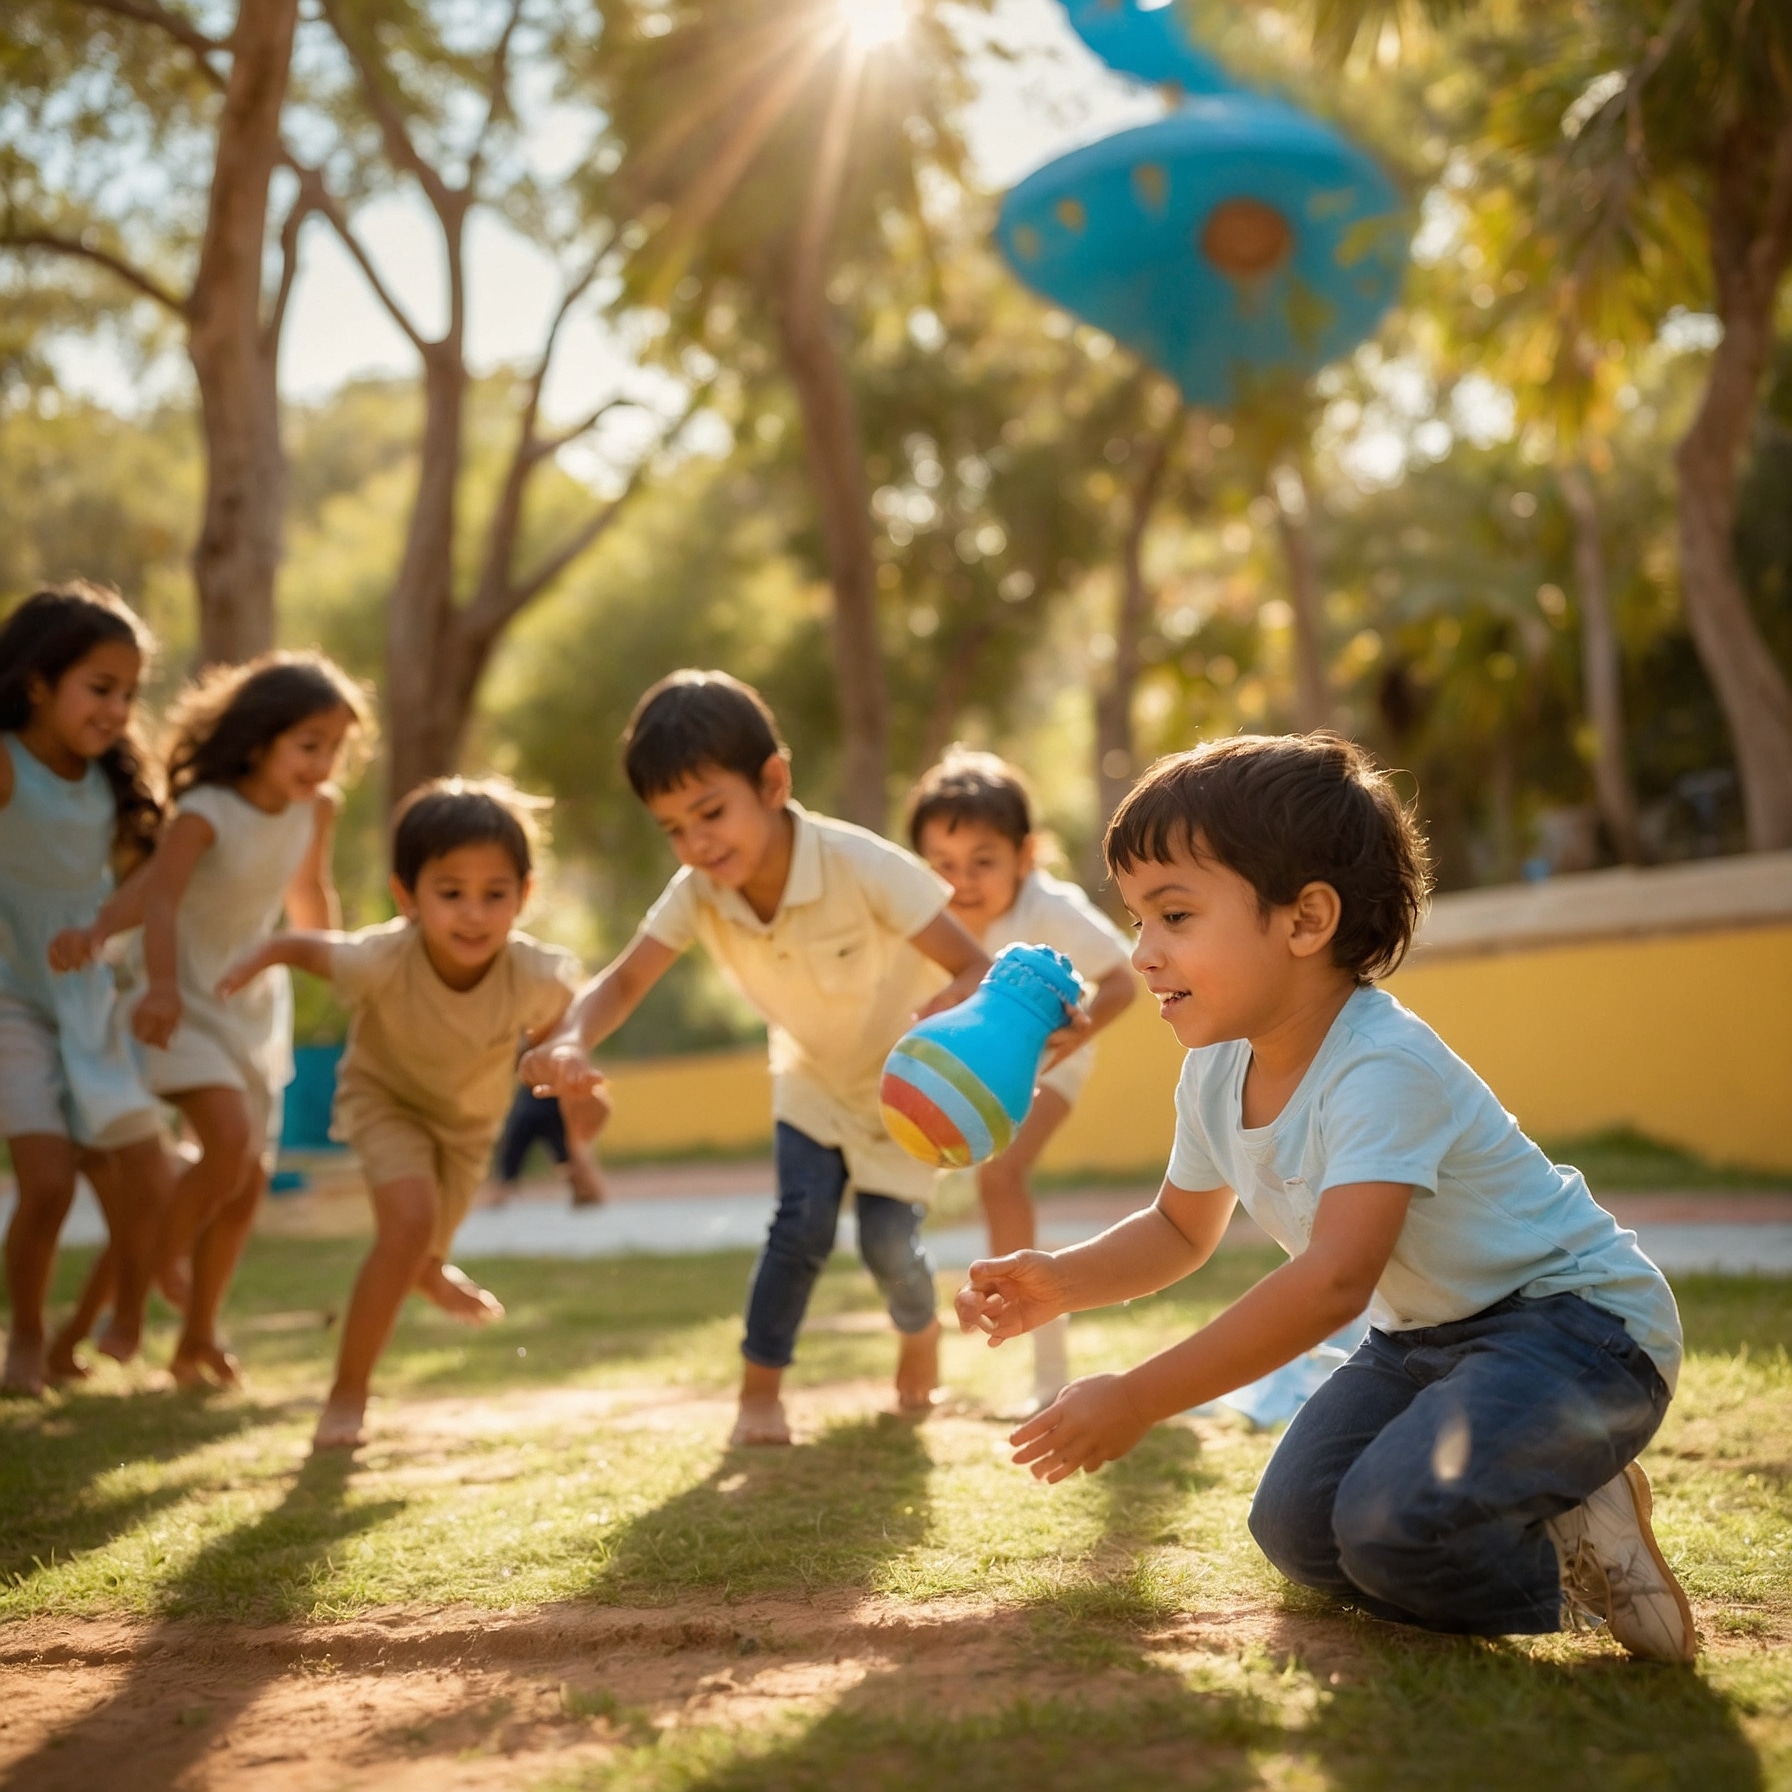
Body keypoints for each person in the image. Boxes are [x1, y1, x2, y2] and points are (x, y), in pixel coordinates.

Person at [957, 733, 1695, 1663]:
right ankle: (1545, 1511)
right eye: (1137, 920)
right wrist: (1058, 1281)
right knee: (1299, 1534)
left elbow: (1336, 1281)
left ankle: (1570, 1544)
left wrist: (1140, 1397)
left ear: (1306, 921)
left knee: (1391, 1528)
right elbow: (1180, 1228)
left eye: (1174, 915)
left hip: (1577, 1333)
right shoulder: (1216, 1066)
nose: (1142, 954)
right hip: (1422, 1341)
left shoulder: (1381, 1066)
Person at [522, 670, 1015, 1447]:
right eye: (675, 828)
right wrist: (572, 1037)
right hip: (811, 1080)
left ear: (773, 782)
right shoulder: (697, 892)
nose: (697, 843)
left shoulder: (866, 864)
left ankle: (918, 1329)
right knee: (800, 1224)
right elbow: (623, 980)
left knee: (888, 1245)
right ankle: (759, 1395)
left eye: (711, 812)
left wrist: (935, 1019)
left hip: (900, 1090)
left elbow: (972, 966)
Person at [217, 777, 598, 1449]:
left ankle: (428, 1271)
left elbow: (569, 1045)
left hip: (467, 1130)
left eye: (494, 894)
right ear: (407, 896)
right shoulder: (383, 958)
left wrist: (583, 1104)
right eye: (450, 893)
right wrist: (256, 955)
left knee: (415, 1243)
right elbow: (303, 947)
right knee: (409, 1225)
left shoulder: (536, 976)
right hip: (384, 1100)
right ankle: (347, 1396)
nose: (473, 914)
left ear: (525, 895)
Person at [53, 653, 370, 1387]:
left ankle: (195, 1338)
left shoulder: (315, 808)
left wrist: (341, 967)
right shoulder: (205, 811)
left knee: (245, 1181)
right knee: (225, 1144)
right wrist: (148, 976)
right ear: (260, 739)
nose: (325, 763)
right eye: (309, 744)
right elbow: (156, 897)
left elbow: (309, 889)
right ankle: (152, 1274)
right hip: (175, 998)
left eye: (337, 747)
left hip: (249, 1003)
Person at [906, 747, 1135, 1407]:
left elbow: (1121, 978)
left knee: (1001, 1175)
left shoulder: (1048, 910)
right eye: (943, 866)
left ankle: (1049, 1365)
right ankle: (933, 1353)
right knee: (921, 1184)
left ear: (1025, 857)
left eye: (984, 862)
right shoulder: (929, 920)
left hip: (1052, 1060)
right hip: (974, 1067)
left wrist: (1070, 1036)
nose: (963, 882)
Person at [0, 584, 167, 1394]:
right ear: (37, 682)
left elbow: (157, 879)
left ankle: (94, 1330)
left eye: (130, 694)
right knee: (48, 1182)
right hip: (10, 1003)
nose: (118, 710)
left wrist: (100, 928)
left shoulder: (114, 782)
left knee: (145, 1176)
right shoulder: (6, 763)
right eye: (100, 688)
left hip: (90, 1001)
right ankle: (25, 1336)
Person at [482, 1078, 609, 1209]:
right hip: (546, 1107)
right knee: (574, 1163)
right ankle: (589, 1196)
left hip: (532, 1107)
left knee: (507, 1173)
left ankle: (588, 1195)